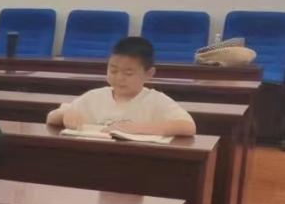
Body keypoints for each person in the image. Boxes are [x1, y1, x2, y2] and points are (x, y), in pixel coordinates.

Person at [46, 36, 196, 137]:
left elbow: (188, 126)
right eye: (113, 70)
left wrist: (138, 129)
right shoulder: (95, 96)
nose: (119, 78)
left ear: (149, 74)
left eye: (128, 73)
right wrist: (65, 115)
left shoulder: (155, 100)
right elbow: (52, 117)